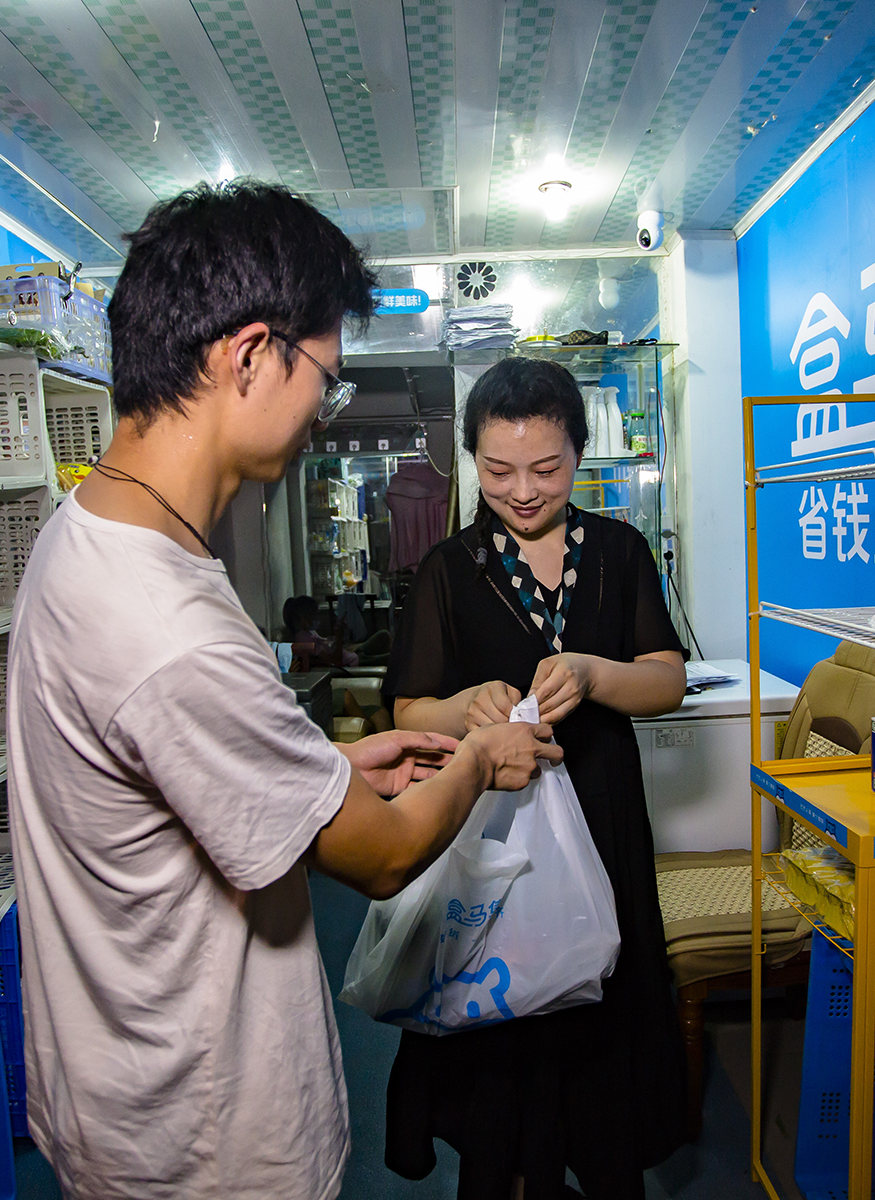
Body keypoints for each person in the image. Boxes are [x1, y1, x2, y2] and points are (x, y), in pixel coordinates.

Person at [5, 182, 562, 1200]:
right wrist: (482, 758)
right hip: (203, 1138)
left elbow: (160, 778)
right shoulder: (164, 616)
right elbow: (387, 856)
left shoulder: (91, 531)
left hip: (124, 1090)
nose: (324, 411)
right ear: (252, 354)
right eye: (327, 380)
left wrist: (325, 767)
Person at [384, 357, 690, 1198]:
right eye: (497, 471)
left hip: (602, 820)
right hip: (496, 841)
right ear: (474, 462)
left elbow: (664, 679)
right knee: (502, 1039)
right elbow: (409, 709)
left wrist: (593, 674)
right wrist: (465, 708)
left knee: (603, 1023)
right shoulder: (450, 570)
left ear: (581, 457)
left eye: (547, 469)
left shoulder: (620, 551)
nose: (522, 491)